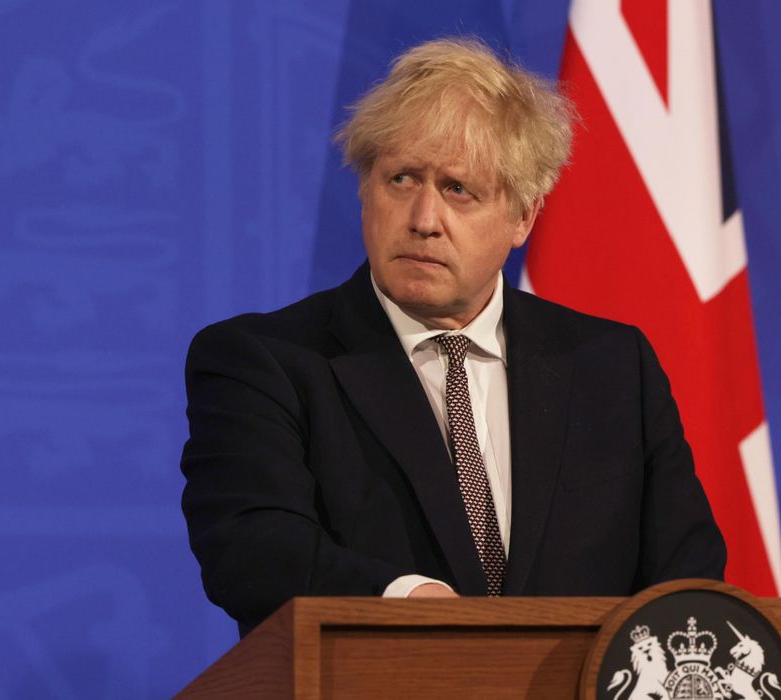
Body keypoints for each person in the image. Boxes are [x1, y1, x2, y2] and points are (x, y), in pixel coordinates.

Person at [180, 37, 725, 636]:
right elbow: (252, 546)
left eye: (458, 189)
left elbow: (686, 577)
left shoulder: (613, 367)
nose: (423, 219)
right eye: (402, 179)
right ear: (365, 191)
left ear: (523, 217)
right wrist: (404, 600)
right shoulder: (267, 362)